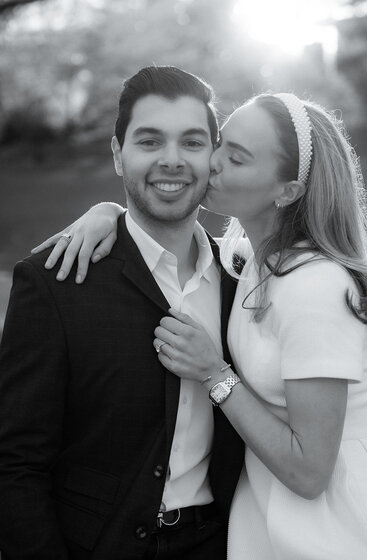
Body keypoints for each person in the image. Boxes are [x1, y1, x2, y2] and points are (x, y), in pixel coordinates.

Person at [34, 89, 367, 558]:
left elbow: (311, 472)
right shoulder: (245, 263)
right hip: (260, 515)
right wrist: (110, 214)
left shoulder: (315, 285)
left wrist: (214, 374)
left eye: (239, 158)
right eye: (221, 143)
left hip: (326, 526)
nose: (213, 162)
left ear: (287, 191)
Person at [0, 66, 244, 560]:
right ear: (117, 154)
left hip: (221, 544)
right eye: (150, 141)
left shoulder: (246, 282)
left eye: (192, 143)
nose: (172, 161)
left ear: (213, 156)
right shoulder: (54, 282)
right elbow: (14, 465)